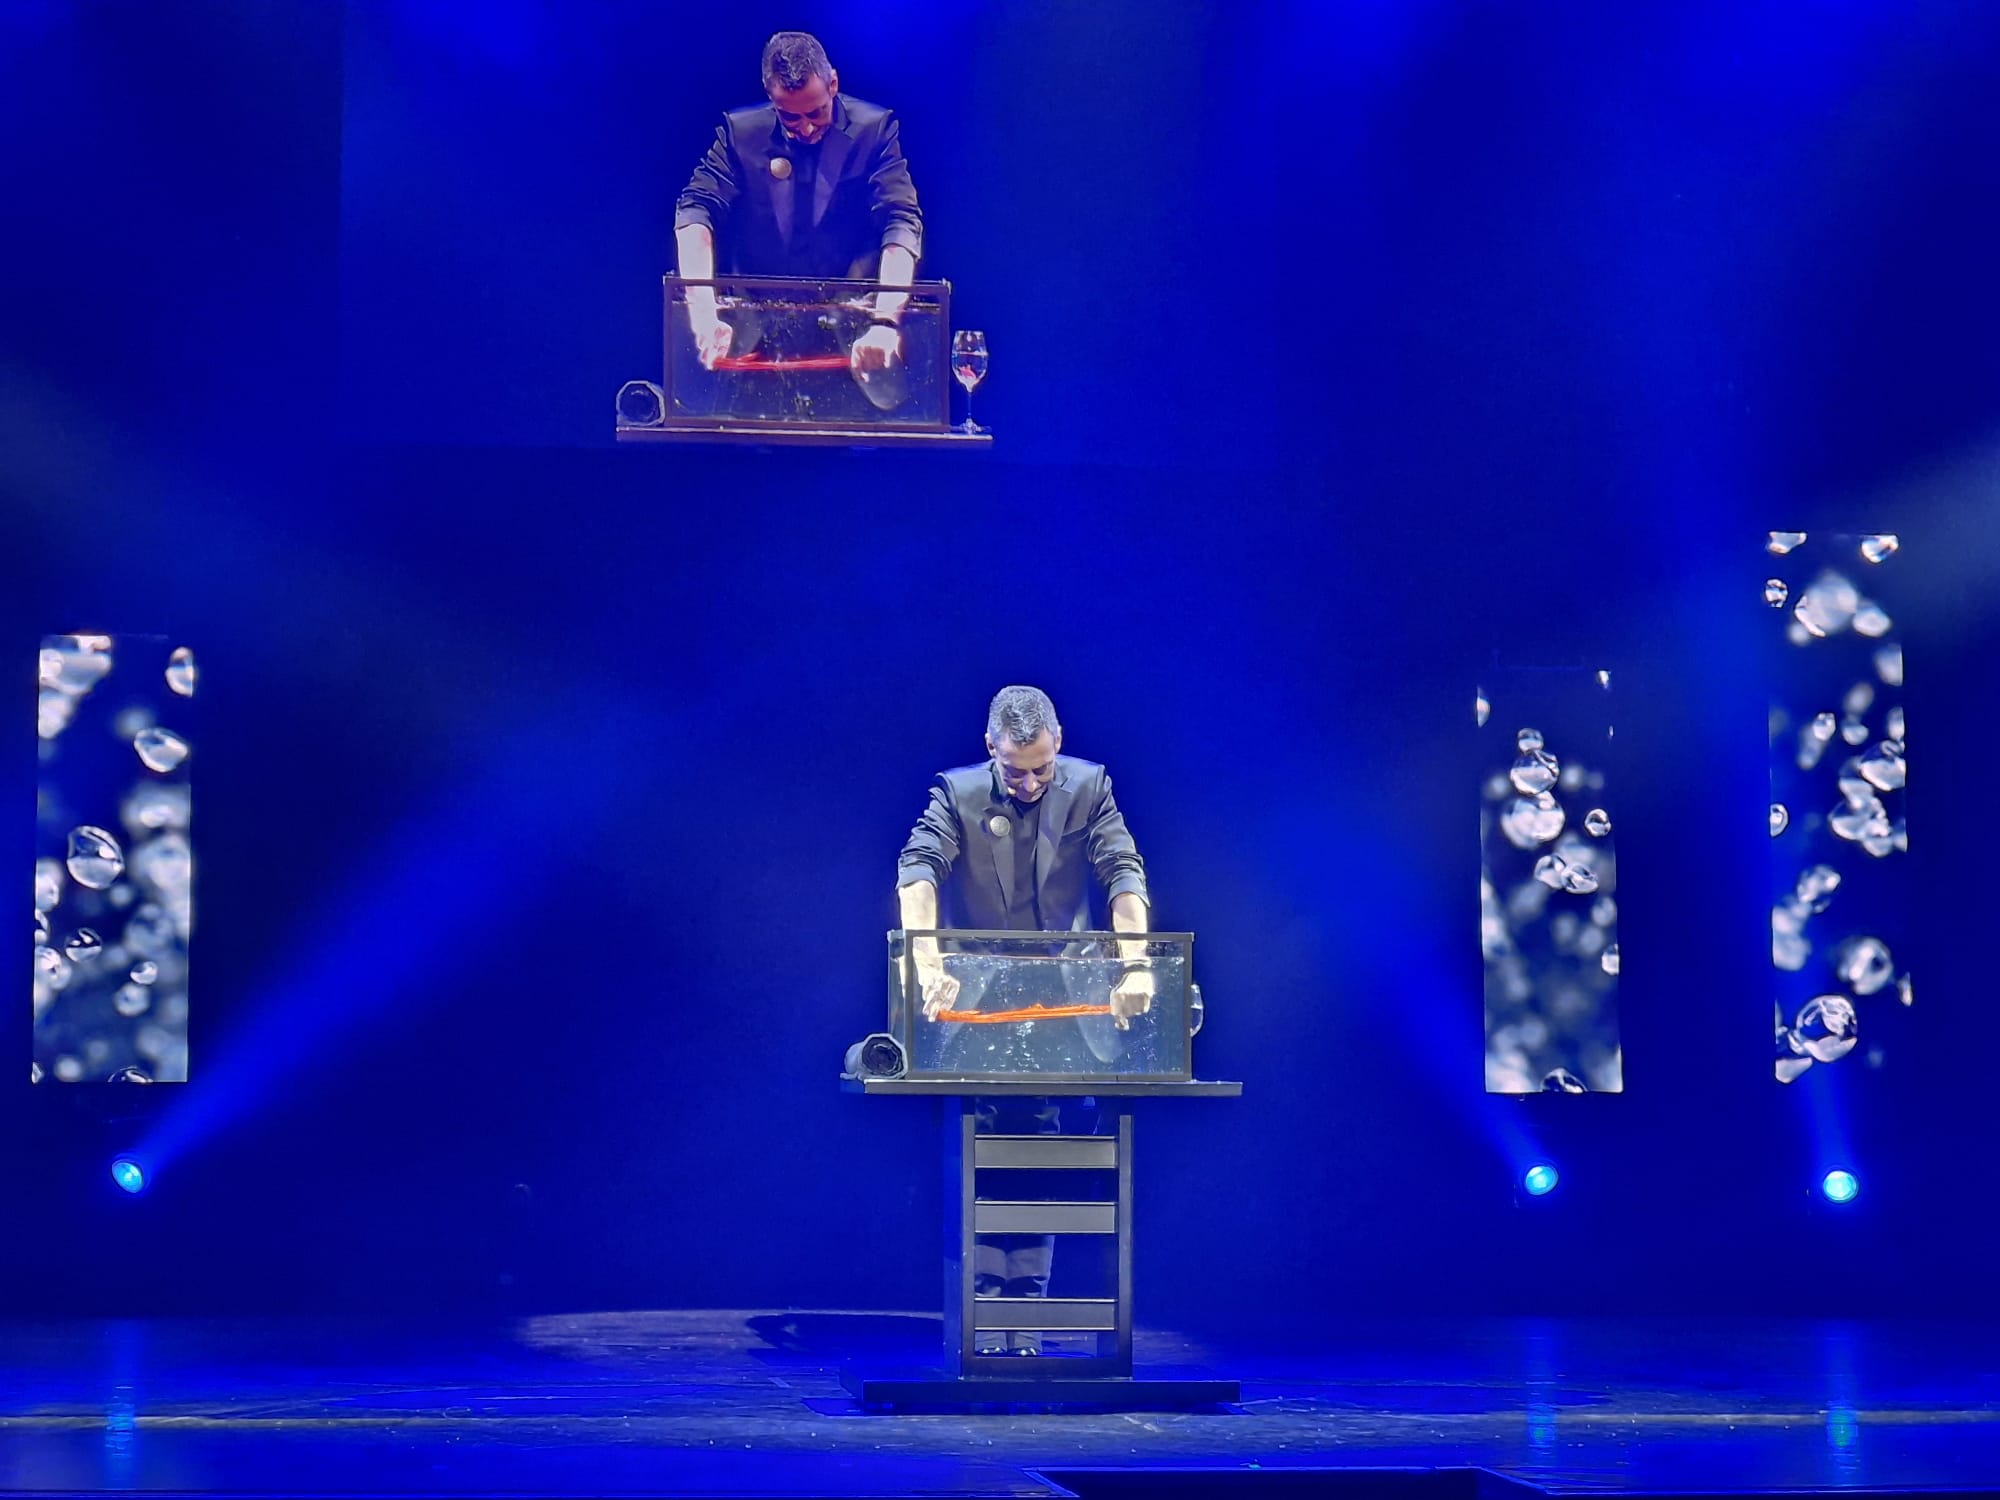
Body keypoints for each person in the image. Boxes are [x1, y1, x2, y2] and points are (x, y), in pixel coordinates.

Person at [896, 686, 1154, 1353]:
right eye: (1016, 772)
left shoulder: (1090, 787)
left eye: (1042, 767)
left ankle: (1028, 1319)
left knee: (1041, 1149)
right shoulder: (956, 793)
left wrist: (1136, 963)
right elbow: (918, 871)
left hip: (1060, 1000)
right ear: (991, 748)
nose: (1032, 783)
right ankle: (984, 1315)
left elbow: (1123, 873)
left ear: (1058, 741)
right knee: (982, 1149)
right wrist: (926, 960)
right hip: (977, 1002)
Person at [673, 31, 921, 375]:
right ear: (770, 96)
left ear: (833, 84)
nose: (805, 128)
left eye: (817, 113)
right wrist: (701, 308)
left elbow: (901, 220)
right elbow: (695, 210)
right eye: (790, 117)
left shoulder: (873, 132)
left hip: (853, 337)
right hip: (754, 339)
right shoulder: (741, 134)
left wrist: (885, 319)